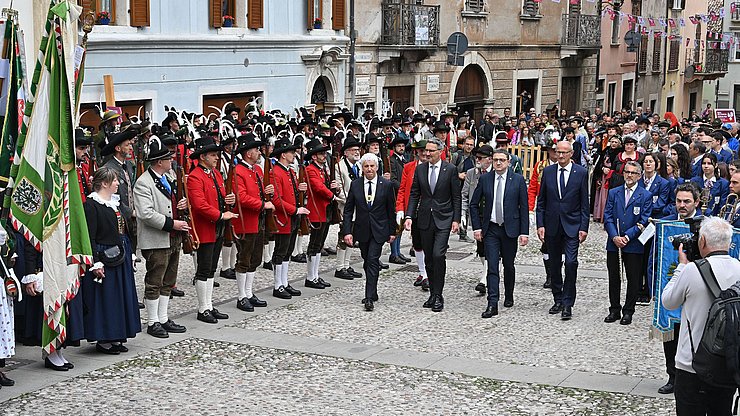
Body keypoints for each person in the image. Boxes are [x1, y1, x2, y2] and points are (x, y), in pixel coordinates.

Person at [662, 216, 740, 415]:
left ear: (702, 241)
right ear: (729, 243)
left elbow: (668, 301)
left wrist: (680, 266)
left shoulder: (691, 271)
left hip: (691, 363)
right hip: (726, 361)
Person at [133, 136, 189, 338]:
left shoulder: (170, 177)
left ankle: (163, 318)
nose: (171, 159)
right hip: (157, 238)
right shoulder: (143, 183)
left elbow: (172, 200)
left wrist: (180, 204)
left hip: (173, 236)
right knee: (155, 280)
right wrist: (171, 223)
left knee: (169, 279)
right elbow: (146, 213)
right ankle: (152, 321)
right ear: (159, 161)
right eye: (168, 157)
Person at [82, 167, 141, 354]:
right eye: (114, 180)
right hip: (104, 255)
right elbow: (90, 236)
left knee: (120, 297)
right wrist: (95, 262)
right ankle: (104, 338)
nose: (117, 183)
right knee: (106, 299)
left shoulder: (115, 203)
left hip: (120, 254)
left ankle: (117, 335)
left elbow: (124, 229)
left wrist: (130, 251)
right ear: (105, 183)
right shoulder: (92, 205)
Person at [404, 138, 462, 312]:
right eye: (426, 150)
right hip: (424, 218)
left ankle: (438, 294)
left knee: (438, 255)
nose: (427, 153)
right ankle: (432, 294)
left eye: (431, 150)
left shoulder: (450, 169)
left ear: (440, 151)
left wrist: (456, 219)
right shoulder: (420, 169)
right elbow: (414, 194)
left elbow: (456, 196)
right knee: (429, 257)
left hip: (444, 218)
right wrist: (409, 215)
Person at [470, 149, 529, 318]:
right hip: (491, 229)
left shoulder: (517, 180)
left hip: (510, 229)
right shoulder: (486, 179)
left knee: (508, 265)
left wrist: (524, 232)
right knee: (492, 266)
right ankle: (492, 302)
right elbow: (474, 204)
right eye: (495, 160)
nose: (498, 163)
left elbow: (524, 207)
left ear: (508, 162)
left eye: (502, 160)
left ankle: (509, 294)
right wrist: (477, 227)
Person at [535, 140, 589, 320]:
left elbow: (584, 203)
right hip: (552, 225)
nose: (560, 155)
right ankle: (557, 298)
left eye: (564, 152)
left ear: (571, 153)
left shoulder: (580, 173)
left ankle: (568, 303)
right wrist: (540, 224)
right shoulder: (548, 172)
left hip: (572, 225)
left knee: (571, 263)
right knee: (554, 263)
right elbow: (541, 201)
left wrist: (584, 227)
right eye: (558, 152)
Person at [187, 136, 238, 323]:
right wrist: (220, 215)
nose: (217, 158)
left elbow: (220, 195)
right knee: (204, 268)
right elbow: (199, 205)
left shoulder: (215, 174)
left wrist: (228, 201)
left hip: (217, 226)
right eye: (213, 155)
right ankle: (202, 309)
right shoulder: (194, 176)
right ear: (202, 157)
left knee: (212, 269)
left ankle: (209, 305)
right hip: (204, 227)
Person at [342, 153, 397, 311]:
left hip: (379, 230)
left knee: (373, 260)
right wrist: (347, 231)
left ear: (377, 167)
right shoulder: (356, 184)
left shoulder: (386, 185)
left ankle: (368, 297)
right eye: (366, 166)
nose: (369, 169)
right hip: (362, 229)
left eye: (372, 166)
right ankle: (373, 290)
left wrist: (392, 231)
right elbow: (348, 210)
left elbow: (390, 210)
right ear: (362, 168)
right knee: (367, 261)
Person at [603, 161, 652, 325]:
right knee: (614, 276)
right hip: (614, 241)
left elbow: (644, 220)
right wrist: (614, 236)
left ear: (639, 176)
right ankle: (614, 309)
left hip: (633, 243)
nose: (629, 175)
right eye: (627, 172)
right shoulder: (614, 192)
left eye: (633, 173)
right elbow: (607, 216)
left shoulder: (645, 195)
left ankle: (628, 310)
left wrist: (627, 236)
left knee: (633, 278)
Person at [231, 133, 272, 311]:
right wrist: (263, 204)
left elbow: (257, 192)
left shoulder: (257, 170)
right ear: (248, 153)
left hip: (258, 219)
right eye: (256, 149)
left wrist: (266, 191)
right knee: (244, 259)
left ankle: (248, 292)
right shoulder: (238, 171)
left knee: (255, 258)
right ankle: (241, 296)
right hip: (245, 220)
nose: (259, 152)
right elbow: (242, 197)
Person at [270, 136, 309, 299]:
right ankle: (277, 284)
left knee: (288, 251)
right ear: (283, 155)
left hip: (292, 217)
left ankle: (284, 282)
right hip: (283, 217)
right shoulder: (275, 172)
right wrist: (294, 210)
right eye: (291, 152)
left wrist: (302, 189)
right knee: (280, 251)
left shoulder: (291, 171)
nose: (294, 155)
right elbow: (276, 199)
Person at [303, 138, 339, 289]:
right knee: (314, 244)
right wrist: (333, 196)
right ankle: (310, 277)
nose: (324, 156)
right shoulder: (310, 169)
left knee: (319, 244)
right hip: (317, 210)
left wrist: (334, 187)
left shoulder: (322, 169)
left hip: (324, 210)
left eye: (324, 153)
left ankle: (315, 275)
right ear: (313, 156)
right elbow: (318, 187)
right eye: (321, 153)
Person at [397, 137, 430, 290]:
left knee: (429, 242)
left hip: (430, 211)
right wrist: (400, 209)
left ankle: (428, 274)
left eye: (427, 150)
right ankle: (422, 272)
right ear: (416, 152)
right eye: (421, 150)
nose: (424, 153)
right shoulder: (409, 167)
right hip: (414, 210)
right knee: (417, 243)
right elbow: (403, 189)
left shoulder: (435, 167)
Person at [462, 145, 494, 294]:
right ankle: (488, 271)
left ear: (489, 159)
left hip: (493, 216)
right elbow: (465, 195)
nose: (477, 160)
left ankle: (485, 278)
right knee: (481, 248)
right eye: (476, 157)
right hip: (477, 215)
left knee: (490, 246)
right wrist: (463, 214)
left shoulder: (497, 171)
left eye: (480, 158)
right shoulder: (471, 173)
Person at [333, 135, 363, 280]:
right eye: (353, 150)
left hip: (358, 207)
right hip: (345, 206)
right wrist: (350, 201)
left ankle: (346, 264)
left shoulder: (358, 166)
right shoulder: (339, 167)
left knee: (354, 234)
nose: (357, 152)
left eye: (358, 149)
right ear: (346, 152)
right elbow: (338, 189)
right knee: (343, 236)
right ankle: (339, 267)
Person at [388, 134, 409, 264]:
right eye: (399, 146)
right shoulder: (392, 161)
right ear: (394, 147)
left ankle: (398, 251)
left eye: (402, 146)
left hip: (402, 194)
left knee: (400, 226)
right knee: (396, 225)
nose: (401, 148)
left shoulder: (404, 160)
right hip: (395, 194)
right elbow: (393, 179)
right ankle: (393, 253)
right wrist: (403, 187)